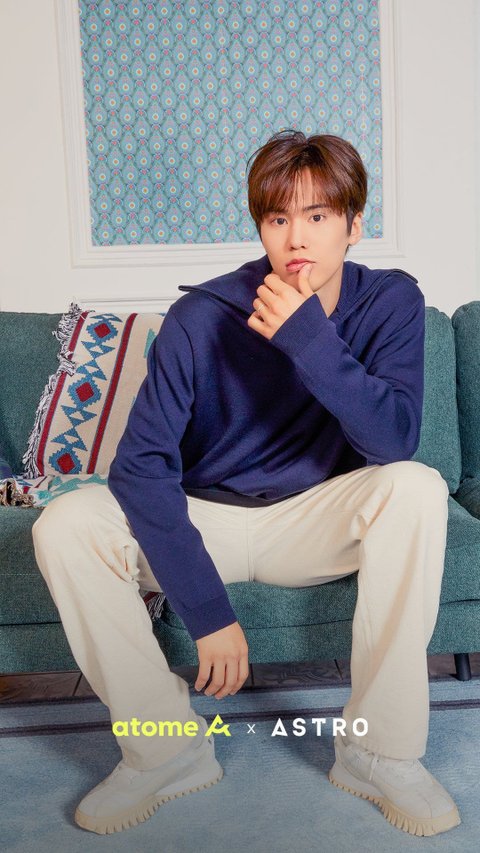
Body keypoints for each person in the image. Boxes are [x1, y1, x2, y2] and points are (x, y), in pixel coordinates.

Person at [32, 130, 461, 838]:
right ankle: (164, 750)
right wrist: (207, 611)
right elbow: (140, 466)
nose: (297, 238)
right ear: (260, 226)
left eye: (318, 215)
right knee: (65, 524)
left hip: (316, 519)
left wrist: (307, 338)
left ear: (354, 225)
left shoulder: (391, 302)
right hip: (208, 518)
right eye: (278, 218)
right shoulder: (202, 317)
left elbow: (392, 441)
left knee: (415, 487)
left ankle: (379, 752)